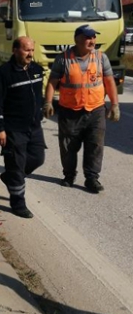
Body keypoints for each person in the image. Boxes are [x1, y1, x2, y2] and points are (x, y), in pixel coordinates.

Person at [44, 24, 120, 193]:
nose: (92, 40)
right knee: (68, 146)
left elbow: (109, 82)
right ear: (77, 39)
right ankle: (69, 175)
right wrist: (48, 102)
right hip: (70, 111)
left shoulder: (101, 58)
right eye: (87, 37)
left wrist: (114, 104)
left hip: (96, 110)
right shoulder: (63, 59)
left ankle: (92, 178)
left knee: (95, 145)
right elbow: (52, 82)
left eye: (93, 37)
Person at [0, 37, 45, 219]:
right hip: (13, 129)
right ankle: (18, 203)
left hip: (34, 127)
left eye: (32, 50)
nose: (30, 54)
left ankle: (12, 176)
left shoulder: (36, 70)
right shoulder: (4, 73)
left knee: (37, 158)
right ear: (15, 50)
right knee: (16, 165)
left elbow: (38, 95)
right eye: (26, 50)